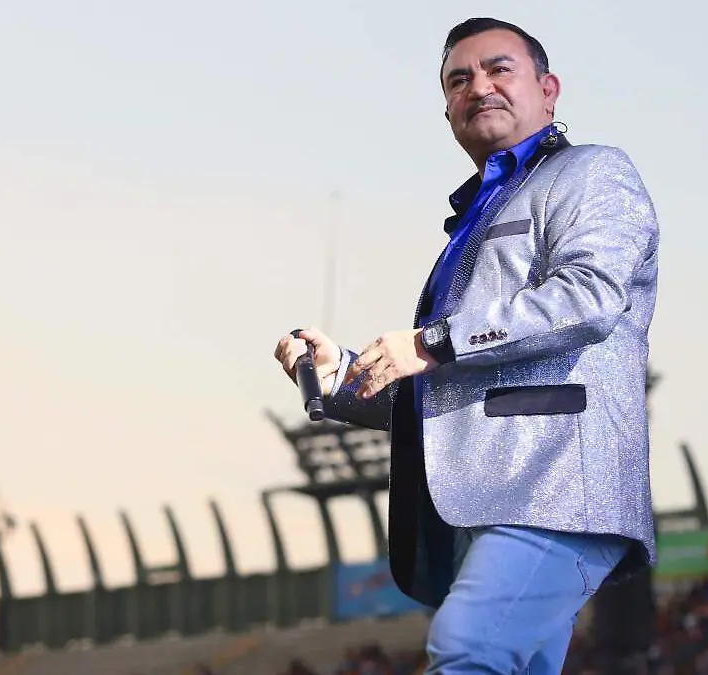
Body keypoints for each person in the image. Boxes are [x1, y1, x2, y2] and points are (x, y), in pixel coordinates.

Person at [274, 17, 660, 674]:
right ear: (448, 111)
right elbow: (452, 385)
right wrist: (343, 376)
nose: (478, 86)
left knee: (469, 648)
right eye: (459, 80)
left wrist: (432, 342)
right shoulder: (476, 217)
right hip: (482, 503)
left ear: (548, 89)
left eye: (498, 68)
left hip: (556, 486)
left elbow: (591, 297)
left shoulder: (593, 171)